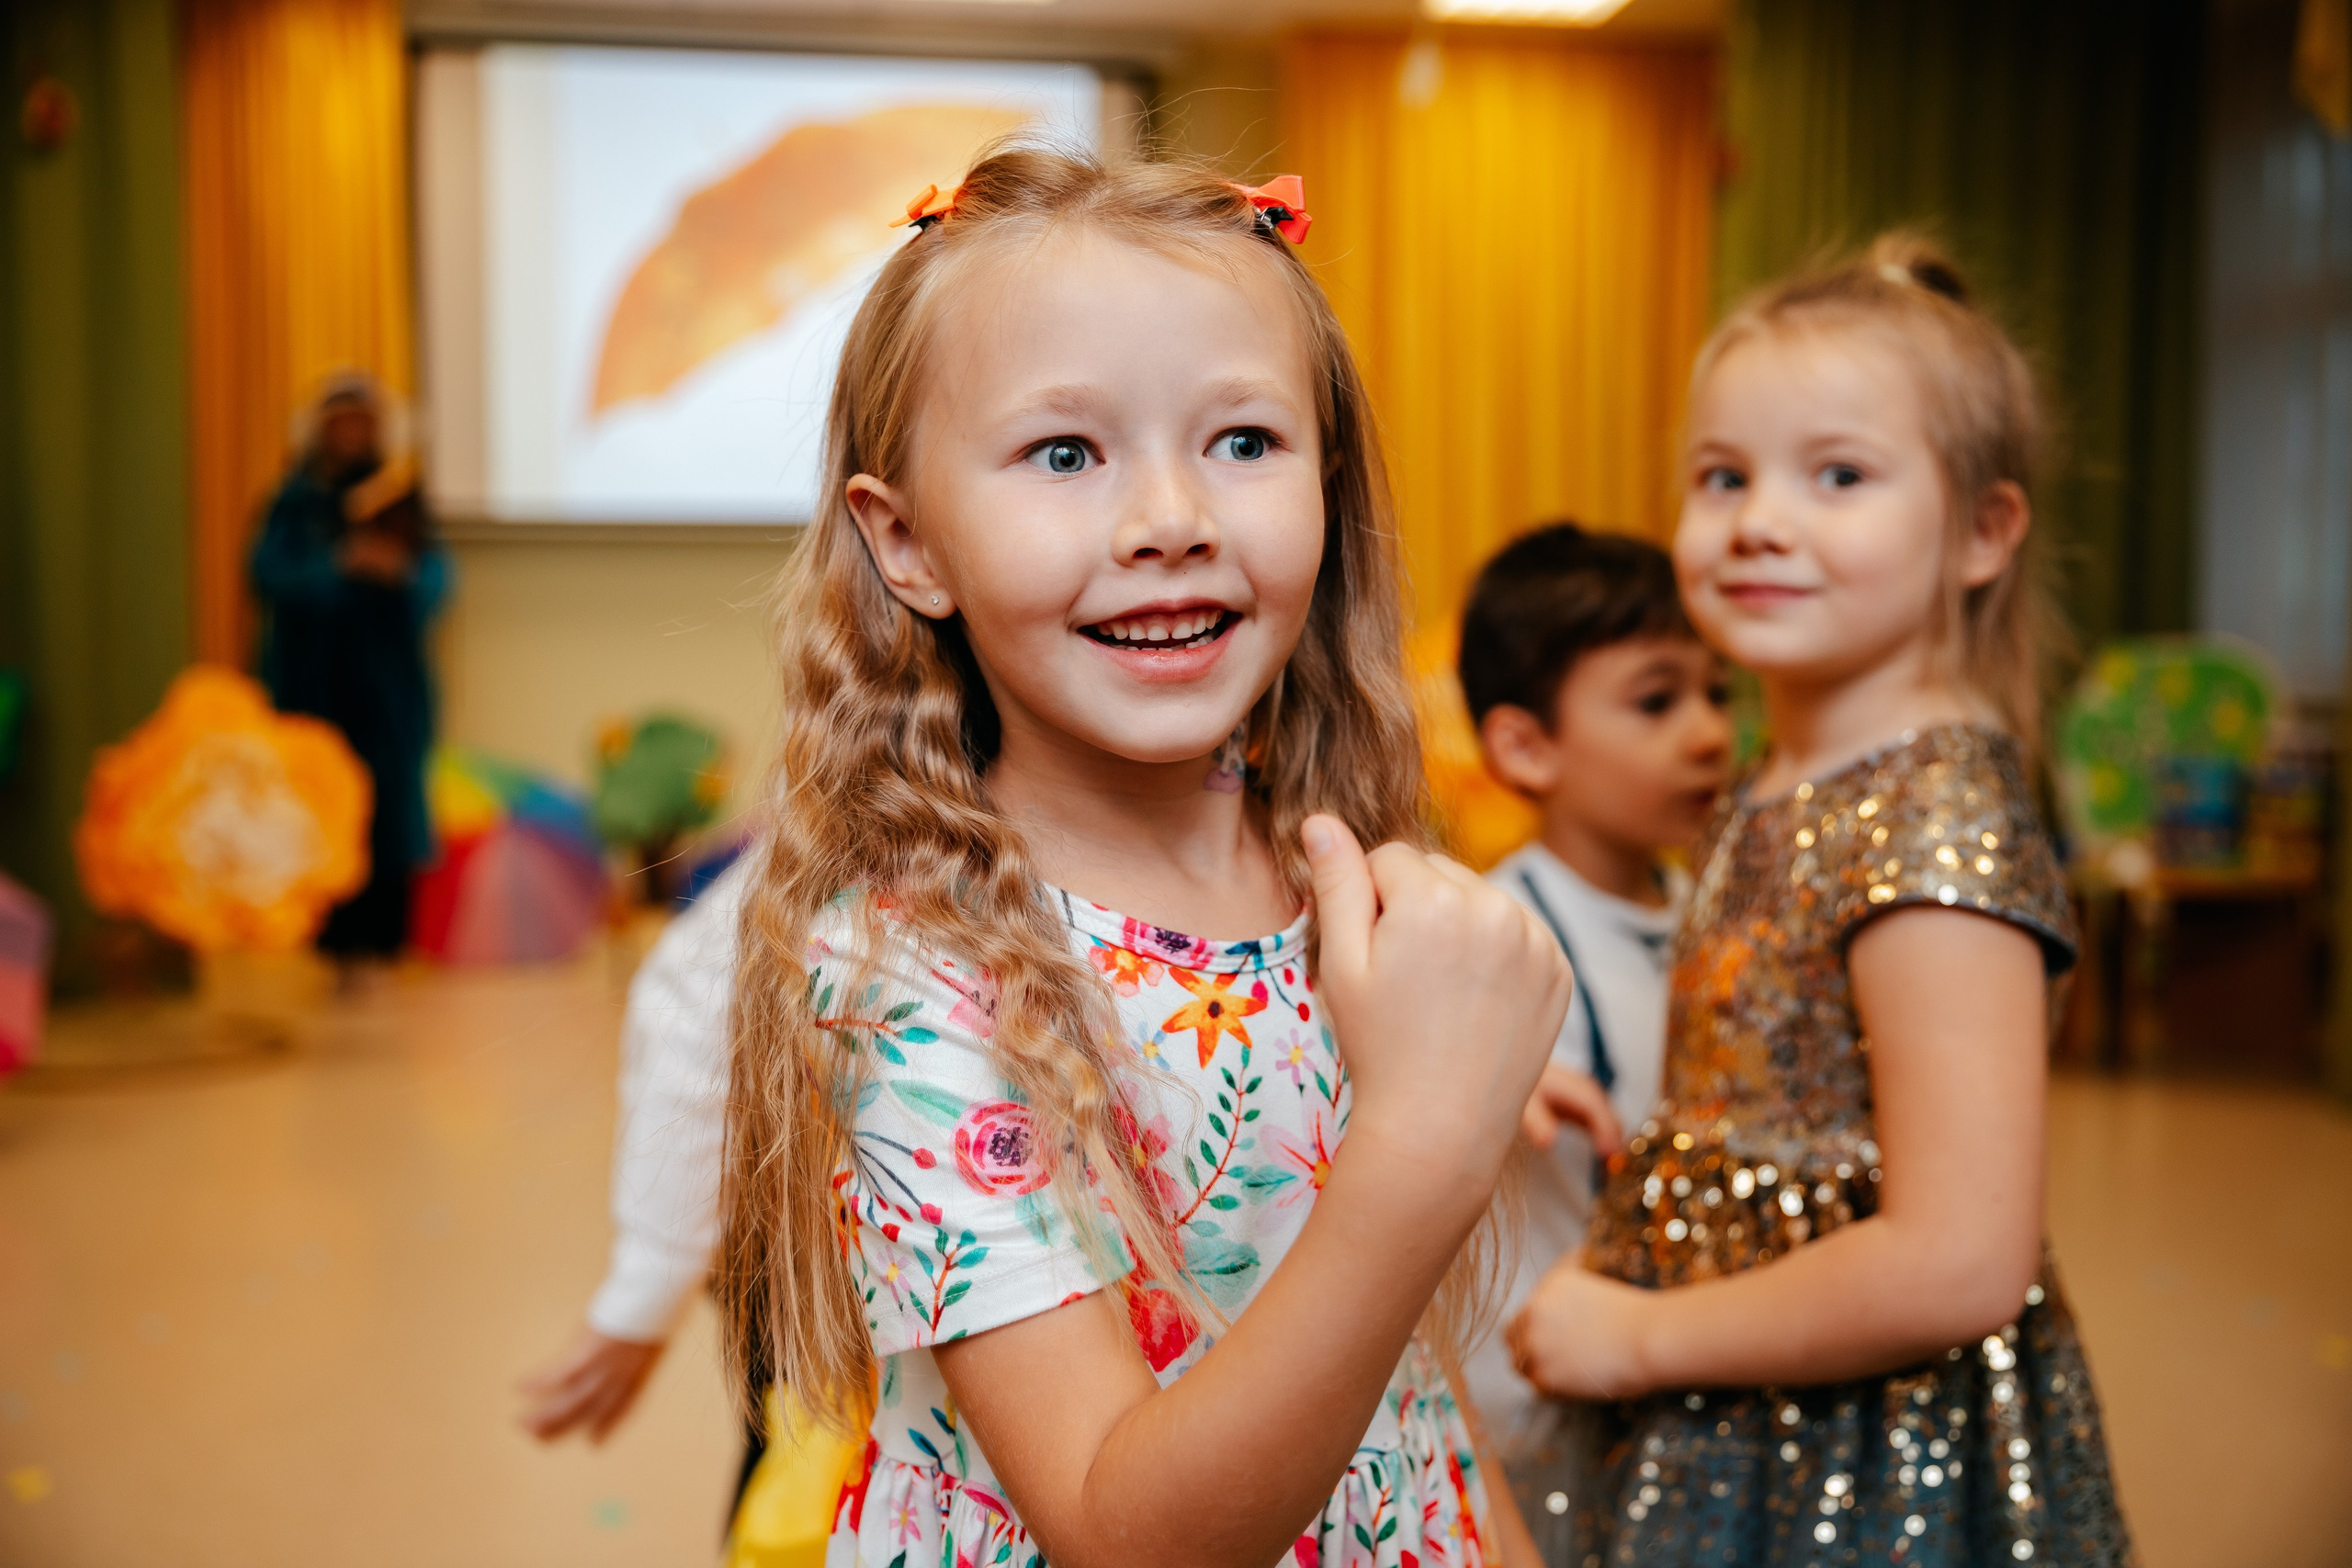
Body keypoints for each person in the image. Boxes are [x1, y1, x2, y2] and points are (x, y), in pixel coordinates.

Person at [718, 148, 1589, 1568]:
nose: (1172, 519)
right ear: (909, 540)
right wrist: (1429, 1134)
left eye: (1244, 441)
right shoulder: (912, 962)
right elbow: (1128, 1530)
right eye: (1065, 454)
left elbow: (1397, 1363)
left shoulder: (1333, 866)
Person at [1506, 235, 2134, 1565]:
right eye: (1723, 475)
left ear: (1982, 531)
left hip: (1850, 1446)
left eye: (1837, 475)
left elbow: (1963, 1256)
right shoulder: (1781, 770)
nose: (1760, 519)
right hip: (1733, 1393)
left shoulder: (1932, 817)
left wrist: (1641, 1335)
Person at [1449, 525, 1733, 1475]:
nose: (1708, 733)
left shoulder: (1715, 912)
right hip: (1536, 1411)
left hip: (1675, 1367)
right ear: (1526, 748)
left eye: (1716, 693)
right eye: (1656, 702)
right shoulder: (1491, 938)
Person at [250, 377, 451, 966]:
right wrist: (338, 566)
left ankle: (384, 948)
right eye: (341, 423)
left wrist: (399, 573)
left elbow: (438, 581)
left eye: (364, 423)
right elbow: (266, 575)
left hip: (388, 700)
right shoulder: (294, 503)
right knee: (313, 816)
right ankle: (321, 944)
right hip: (311, 692)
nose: (353, 434)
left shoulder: (398, 497)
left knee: (388, 821)